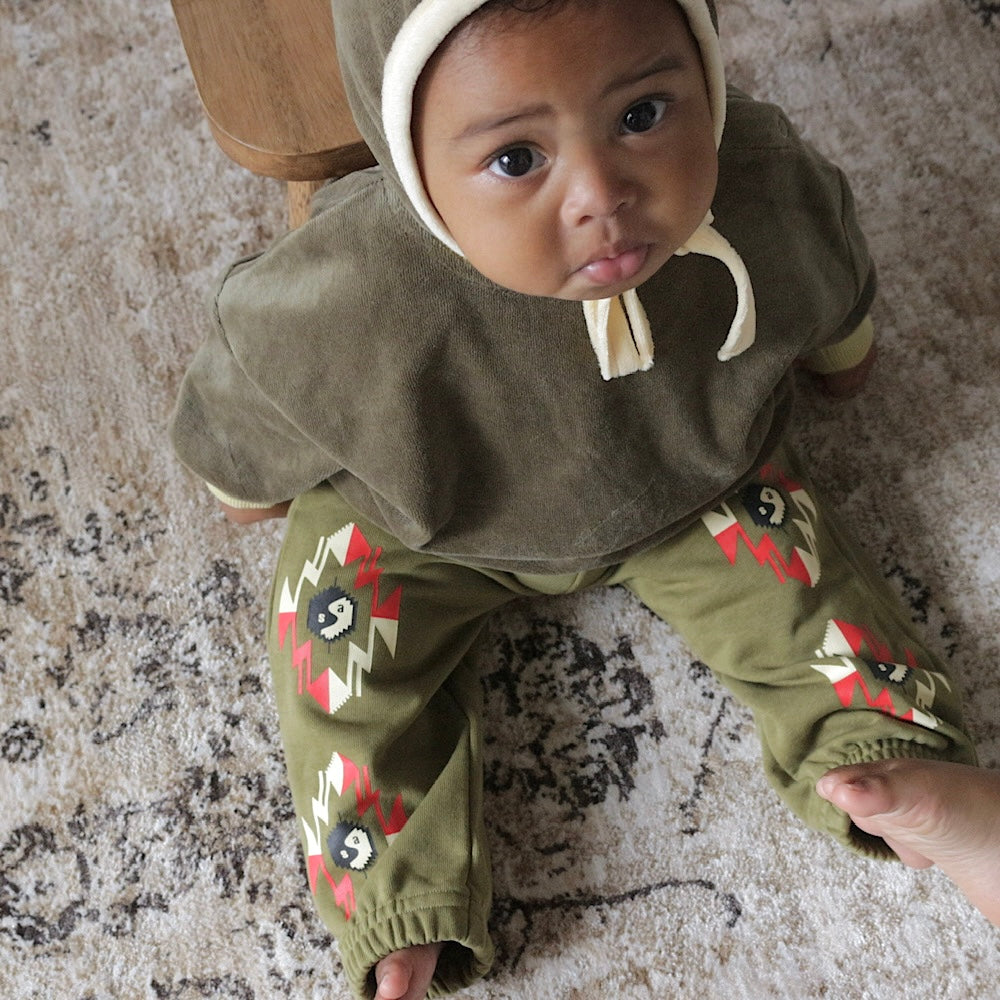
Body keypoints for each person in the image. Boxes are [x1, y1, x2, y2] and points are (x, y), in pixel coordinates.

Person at [169, 1, 1000, 997]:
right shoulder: (349, 288)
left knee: (800, 589)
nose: (603, 195)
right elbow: (251, 388)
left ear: (704, 72)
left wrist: (839, 347)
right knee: (339, 661)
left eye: (642, 114)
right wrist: (238, 476)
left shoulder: (757, 177)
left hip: (690, 482)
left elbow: (824, 264)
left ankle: (901, 767)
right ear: (410, 163)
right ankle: (394, 900)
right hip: (423, 519)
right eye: (517, 159)